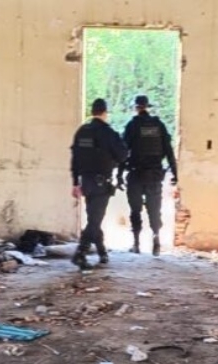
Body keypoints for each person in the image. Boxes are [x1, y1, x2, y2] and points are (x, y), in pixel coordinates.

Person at [70, 98, 128, 270]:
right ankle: (80, 253)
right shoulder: (108, 133)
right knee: (95, 220)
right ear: (105, 113)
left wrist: (75, 183)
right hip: (102, 183)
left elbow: (75, 158)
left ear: (92, 111)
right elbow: (123, 155)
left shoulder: (82, 131)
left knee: (94, 218)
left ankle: (102, 252)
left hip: (86, 182)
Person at [122, 95, 178, 256]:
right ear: (147, 107)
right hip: (154, 175)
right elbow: (168, 150)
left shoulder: (132, 125)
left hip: (136, 174)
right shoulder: (159, 125)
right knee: (154, 209)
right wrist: (175, 173)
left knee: (135, 209)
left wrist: (119, 174)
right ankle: (156, 239)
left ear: (136, 108)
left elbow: (123, 151)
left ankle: (136, 243)